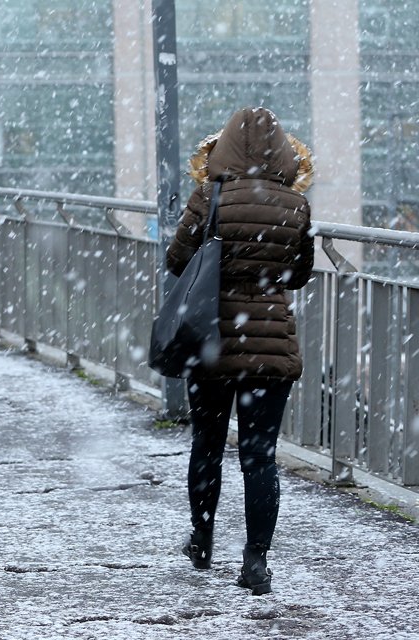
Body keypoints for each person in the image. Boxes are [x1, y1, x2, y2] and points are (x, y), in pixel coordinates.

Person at [167, 107, 314, 596]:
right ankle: (256, 561)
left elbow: (176, 261)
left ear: (224, 146)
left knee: (208, 445)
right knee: (260, 456)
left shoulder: (210, 196)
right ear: (283, 151)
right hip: (270, 349)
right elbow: (299, 274)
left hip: (209, 342)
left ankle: (203, 539)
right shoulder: (295, 205)